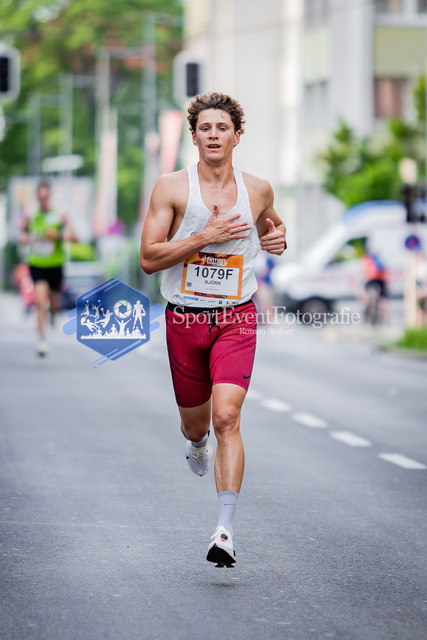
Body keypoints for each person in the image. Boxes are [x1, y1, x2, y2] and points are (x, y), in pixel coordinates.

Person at [140, 92, 286, 567]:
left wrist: (277, 240)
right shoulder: (172, 188)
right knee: (197, 424)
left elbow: (274, 228)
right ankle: (196, 443)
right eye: (205, 128)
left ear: (237, 136)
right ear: (194, 136)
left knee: (227, 417)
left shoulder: (258, 189)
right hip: (184, 317)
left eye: (222, 128)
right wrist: (205, 236)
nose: (214, 135)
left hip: (236, 316)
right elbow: (148, 258)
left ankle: (224, 531)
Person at [20, 180, 77, 356]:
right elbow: (23, 235)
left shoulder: (59, 215)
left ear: (50, 196)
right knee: (39, 301)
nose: (43, 200)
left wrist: (58, 235)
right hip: (37, 263)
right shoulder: (31, 215)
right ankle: (41, 340)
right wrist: (25, 238)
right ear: (37, 197)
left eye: (45, 197)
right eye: (40, 197)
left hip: (55, 264)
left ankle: (53, 312)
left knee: (53, 301)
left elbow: (75, 237)